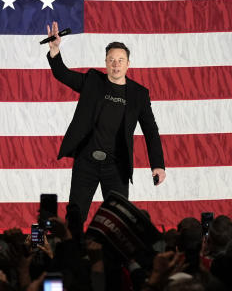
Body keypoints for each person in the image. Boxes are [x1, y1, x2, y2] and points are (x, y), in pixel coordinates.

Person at [44, 21, 166, 220]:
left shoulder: (138, 95)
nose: (116, 64)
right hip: (86, 163)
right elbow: (62, 74)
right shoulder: (93, 81)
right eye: (111, 60)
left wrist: (158, 165)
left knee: (117, 218)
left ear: (128, 63)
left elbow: (151, 131)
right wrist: (55, 50)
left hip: (116, 166)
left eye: (120, 60)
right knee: (75, 216)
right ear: (106, 62)